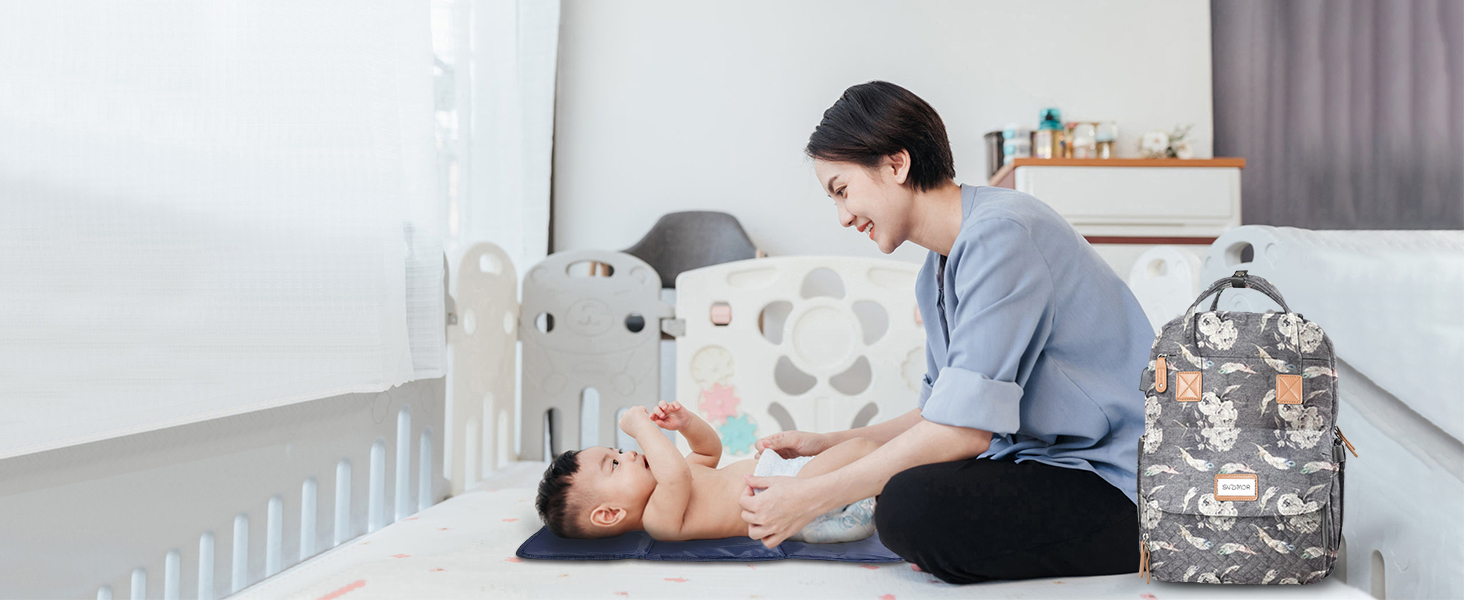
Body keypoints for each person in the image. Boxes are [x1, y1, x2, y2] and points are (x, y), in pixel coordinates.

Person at [737, 81, 1153, 583]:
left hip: (1119, 484)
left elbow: (962, 431)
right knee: (909, 489)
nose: (844, 216)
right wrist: (831, 442)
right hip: (1045, 464)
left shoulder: (1003, 234)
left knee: (911, 506)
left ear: (896, 164)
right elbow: (942, 413)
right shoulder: (937, 270)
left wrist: (813, 496)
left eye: (843, 191)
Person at [535, 400, 879, 541]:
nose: (629, 454)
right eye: (614, 463)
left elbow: (708, 450)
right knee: (865, 450)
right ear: (610, 513)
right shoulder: (659, 520)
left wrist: (686, 423)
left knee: (867, 458)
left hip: (805, 484)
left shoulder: (678, 479)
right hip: (803, 508)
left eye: (620, 450)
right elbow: (675, 474)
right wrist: (640, 425)